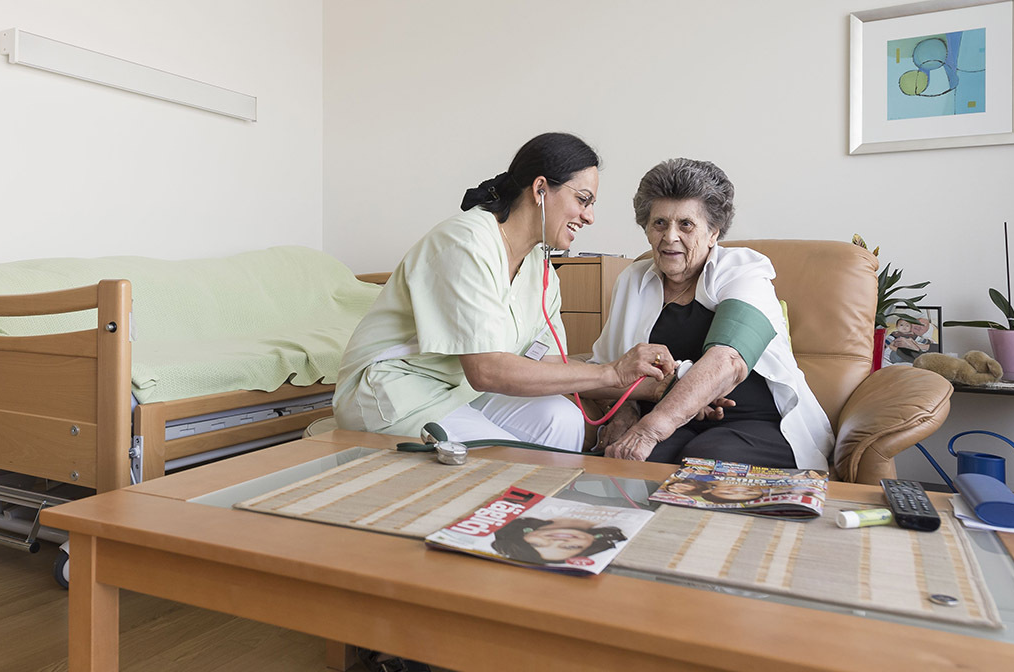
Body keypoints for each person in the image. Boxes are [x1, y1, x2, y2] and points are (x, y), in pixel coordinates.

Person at [333, 133, 672, 450]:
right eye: (583, 200)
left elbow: (554, 369)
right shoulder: (465, 244)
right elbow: (487, 370)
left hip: (458, 390)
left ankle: (537, 510)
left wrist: (661, 390)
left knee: (563, 420)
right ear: (540, 189)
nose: (589, 217)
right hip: (395, 389)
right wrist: (612, 370)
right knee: (501, 457)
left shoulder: (540, 269)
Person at [587, 158, 834, 469]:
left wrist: (650, 429)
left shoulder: (743, 271)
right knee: (635, 466)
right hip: (677, 423)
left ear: (714, 233)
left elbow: (728, 361)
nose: (670, 237)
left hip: (759, 421)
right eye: (659, 223)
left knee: (703, 462)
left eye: (686, 224)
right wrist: (626, 409)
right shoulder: (632, 280)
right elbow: (606, 370)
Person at [491, 517, 629, 564]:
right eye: (570, 548)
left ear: (522, 536)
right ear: (591, 545)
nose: (558, 541)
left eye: (536, 544)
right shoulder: (624, 524)